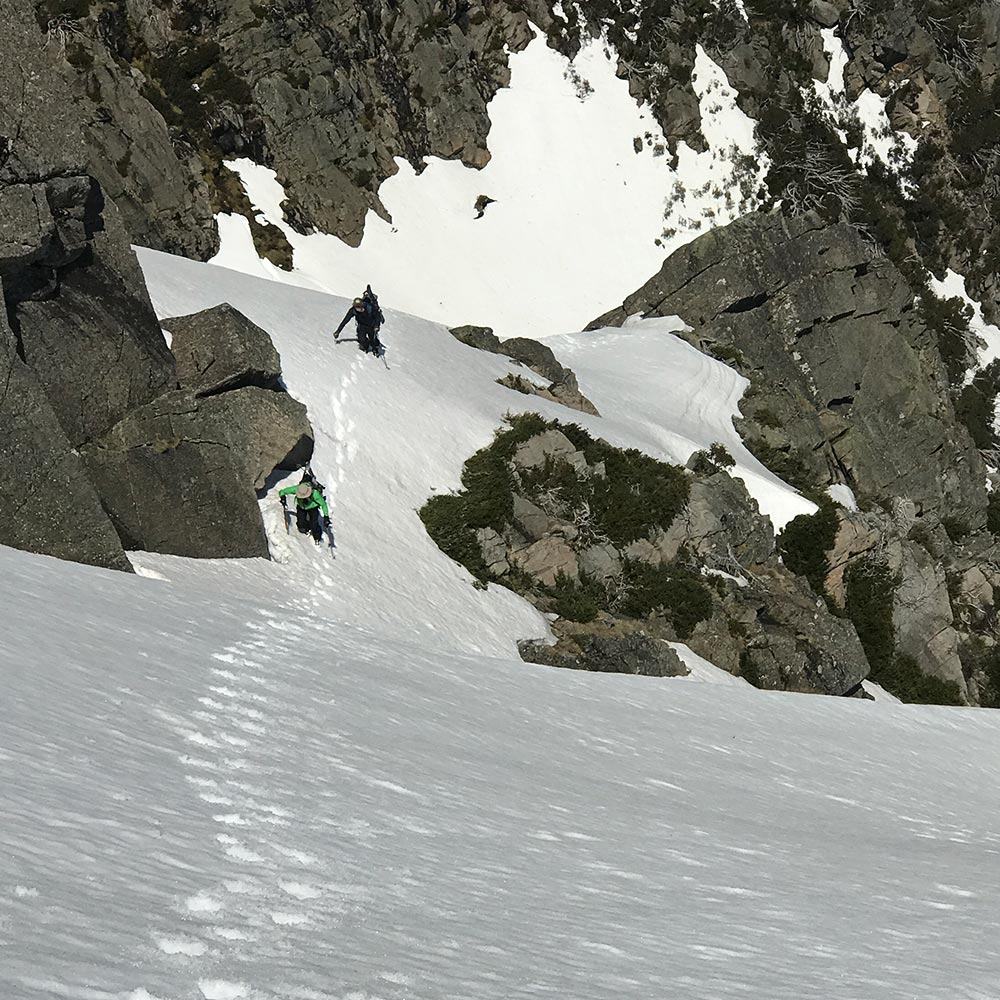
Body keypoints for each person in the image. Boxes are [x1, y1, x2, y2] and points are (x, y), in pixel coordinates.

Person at [279, 477, 330, 543]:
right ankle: (305, 529)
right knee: (301, 523)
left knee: (314, 524)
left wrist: (326, 516)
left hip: (313, 508)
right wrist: (282, 497)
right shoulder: (297, 489)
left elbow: (323, 504)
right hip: (301, 507)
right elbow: (282, 491)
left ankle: (317, 536)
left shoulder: (315, 493)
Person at [334, 290, 385, 354]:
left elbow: (377, 316)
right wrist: (338, 331)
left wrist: (376, 326)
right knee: (362, 340)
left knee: (374, 341)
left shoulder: (369, 308)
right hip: (362, 326)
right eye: (358, 307)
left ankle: (375, 345)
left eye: (361, 306)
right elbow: (345, 320)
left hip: (371, 326)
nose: (361, 309)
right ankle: (366, 346)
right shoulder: (353, 311)